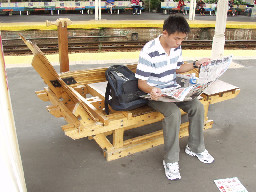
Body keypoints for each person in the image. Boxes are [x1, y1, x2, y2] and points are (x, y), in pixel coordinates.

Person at [135, 15, 214, 181]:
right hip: (155, 94)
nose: (179, 43)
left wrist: (195, 64)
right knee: (173, 114)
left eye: (182, 39)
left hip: (173, 90)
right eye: (177, 38)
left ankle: (195, 147)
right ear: (165, 33)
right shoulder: (149, 50)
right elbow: (141, 83)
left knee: (197, 106)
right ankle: (171, 161)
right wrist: (153, 90)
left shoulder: (176, 48)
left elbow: (178, 68)